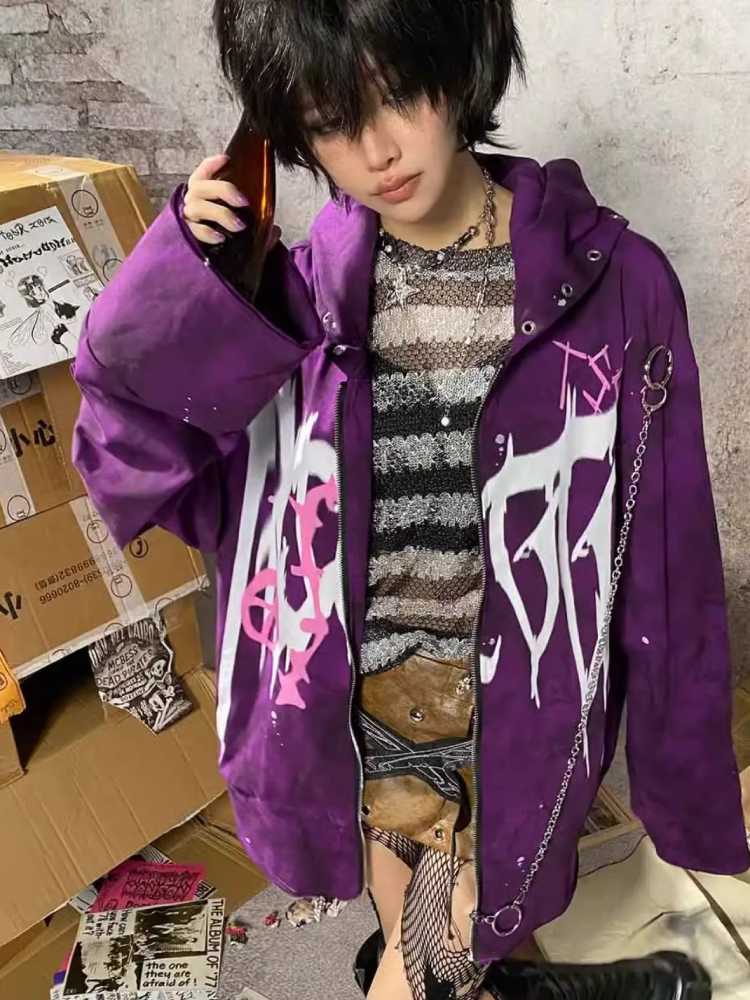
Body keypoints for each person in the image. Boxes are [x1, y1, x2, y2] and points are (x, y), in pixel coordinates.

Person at [70, 1, 749, 998]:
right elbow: (129, 463)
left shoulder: (614, 289)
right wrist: (183, 279)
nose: (377, 151)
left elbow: (669, 548)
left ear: (460, 63)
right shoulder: (297, 300)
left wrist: (683, 783)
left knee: (441, 947)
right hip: (357, 707)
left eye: (398, 97)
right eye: (331, 123)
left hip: (513, 709)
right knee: (414, 932)